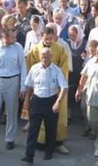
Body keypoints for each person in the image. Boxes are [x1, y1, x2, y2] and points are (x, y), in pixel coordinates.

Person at [23, 25, 70, 154]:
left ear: (54, 36)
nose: (49, 41)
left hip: (54, 89)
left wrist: (59, 81)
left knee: (55, 118)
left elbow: (64, 67)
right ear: (42, 36)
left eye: (51, 38)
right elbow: (30, 67)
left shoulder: (60, 49)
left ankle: (57, 143)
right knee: (37, 120)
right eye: (46, 38)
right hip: (39, 89)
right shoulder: (35, 50)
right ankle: (38, 144)